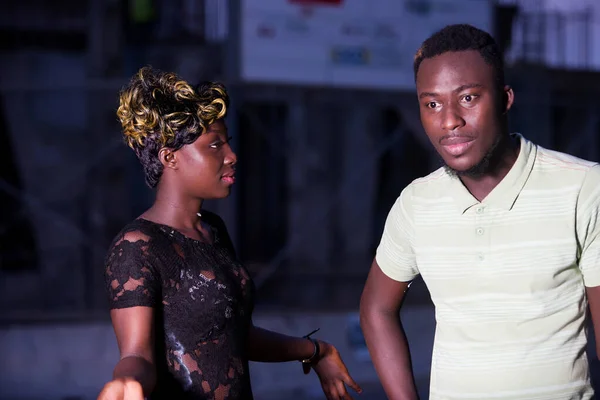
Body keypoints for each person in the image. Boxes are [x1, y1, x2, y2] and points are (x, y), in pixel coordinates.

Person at [359, 24, 600, 400]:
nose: (449, 120)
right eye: (432, 104)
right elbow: (376, 309)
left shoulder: (583, 187)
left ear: (505, 99)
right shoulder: (416, 204)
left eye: (468, 98)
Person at [98, 66, 362, 400]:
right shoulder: (136, 246)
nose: (231, 156)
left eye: (228, 144)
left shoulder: (213, 230)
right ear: (170, 158)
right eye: (214, 146)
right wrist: (127, 382)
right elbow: (137, 355)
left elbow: (232, 334)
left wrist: (315, 350)